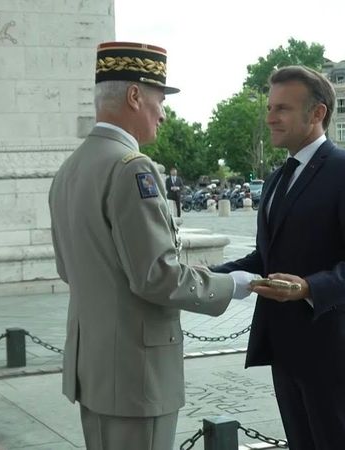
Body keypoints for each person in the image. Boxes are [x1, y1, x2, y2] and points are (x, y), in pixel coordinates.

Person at [48, 41, 258, 450]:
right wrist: (232, 285)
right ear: (134, 96)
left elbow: (66, 268)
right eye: (159, 99)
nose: (163, 112)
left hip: (93, 368)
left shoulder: (70, 169)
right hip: (135, 373)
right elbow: (157, 277)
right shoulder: (131, 169)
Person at [210, 65, 345, 450]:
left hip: (332, 351)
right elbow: (266, 257)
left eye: (282, 109)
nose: (270, 117)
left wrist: (308, 287)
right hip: (286, 349)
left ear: (317, 113)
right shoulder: (277, 178)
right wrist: (206, 275)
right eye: (270, 107)